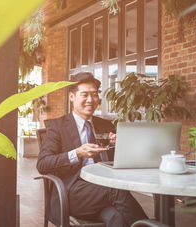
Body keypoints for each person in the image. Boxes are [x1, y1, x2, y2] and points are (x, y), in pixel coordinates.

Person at [37, 72, 147, 227]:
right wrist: (77, 153)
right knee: (115, 189)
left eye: (95, 95)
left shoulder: (105, 125)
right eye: (85, 95)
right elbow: (42, 164)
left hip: (102, 192)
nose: (91, 100)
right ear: (72, 97)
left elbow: (118, 161)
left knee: (117, 218)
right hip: (73, 192)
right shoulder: (57, 126)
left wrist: (119, 145)